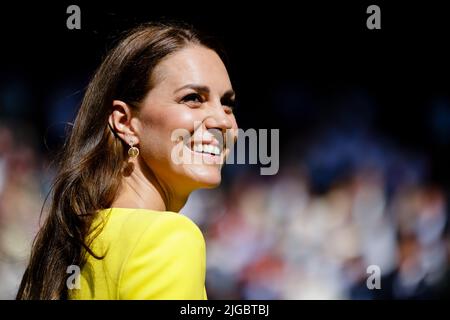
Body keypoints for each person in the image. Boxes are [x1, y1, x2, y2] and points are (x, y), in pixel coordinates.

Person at [16, 22, 238, 300]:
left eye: (227, 103)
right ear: (125, 122)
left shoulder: (68, 243)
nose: (222, 121)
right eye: (193, 98)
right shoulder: (169, 238)